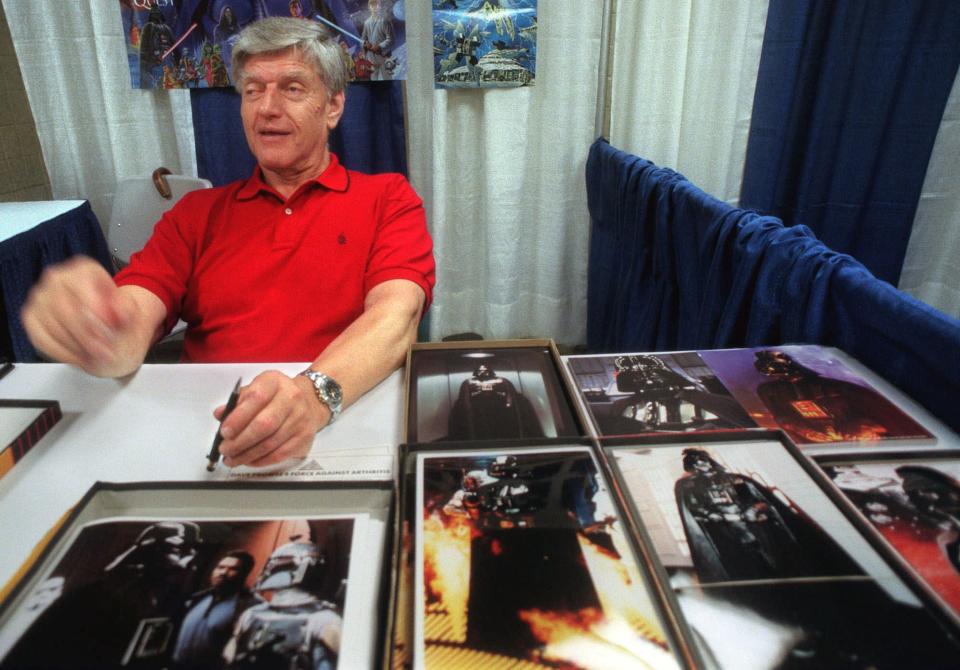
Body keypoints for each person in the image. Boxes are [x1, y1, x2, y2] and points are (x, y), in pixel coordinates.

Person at [21, 17, 435, 468]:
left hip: (342, 428)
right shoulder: (196, 213)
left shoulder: (387, 198)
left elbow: (396, 317)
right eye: (253, 91)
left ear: (333, 106)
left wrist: (311, 396)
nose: (267, 108)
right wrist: (97, 327)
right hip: (206, 439)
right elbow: (134, 317)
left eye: (292, 88)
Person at [223, 537, 341, 669]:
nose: (272, 570)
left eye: (282, 564)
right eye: (274, 564)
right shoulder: (251, 614)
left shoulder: (322, 620)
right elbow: (230, 659)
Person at [172, 551, 259, 670]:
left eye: (233, 569)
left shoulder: (251, 606)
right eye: (220, 567)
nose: (223, 573)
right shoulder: (197, 598)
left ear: (244, 574)